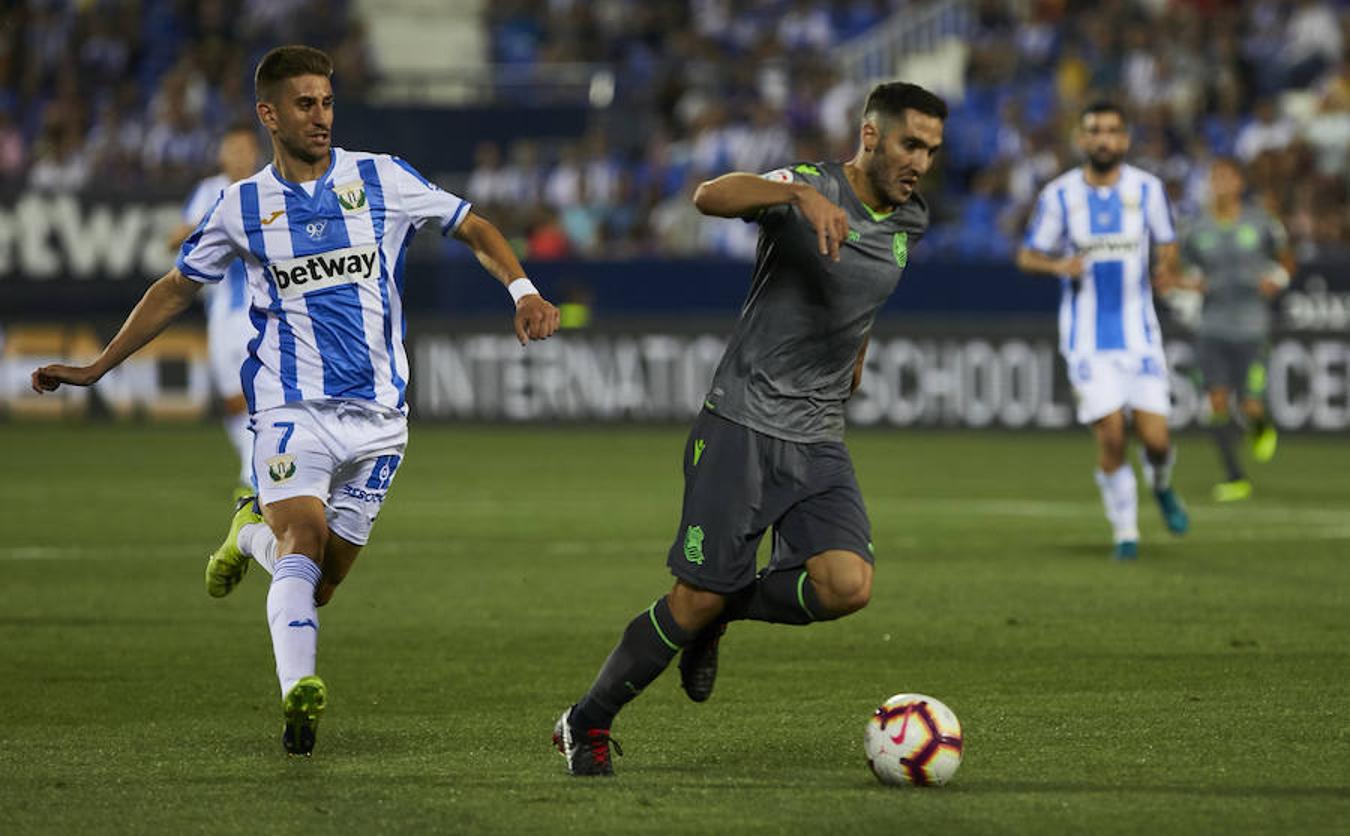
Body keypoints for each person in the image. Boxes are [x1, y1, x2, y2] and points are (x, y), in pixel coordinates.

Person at [32, 45, 561, 755]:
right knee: (302, 543)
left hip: (380, 422)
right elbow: (176, 289)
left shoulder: (380, 178)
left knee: (316, 584)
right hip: (291, 409)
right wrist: (99, 366)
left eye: (328, 102)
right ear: (269, 113)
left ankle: (246, 532)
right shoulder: (242, 205)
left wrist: (523, 290)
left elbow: (472, 225)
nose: (321, 116)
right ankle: (299, 700)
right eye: (305, 104)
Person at [552, 82, 947, 776]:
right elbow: (708, 196)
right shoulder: (809, 186)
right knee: (691, 599)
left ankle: (722, 616)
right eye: (911, 143)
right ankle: (585, 723)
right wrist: (793, 196)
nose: (921, 161)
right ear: (871, 135)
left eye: (933, 150)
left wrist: (855, 354)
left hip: (820, 433)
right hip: (742, 422)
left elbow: (863, 297)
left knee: (846, 586)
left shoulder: (911, 221)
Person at [1017, 99, 1190, 561]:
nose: (1104, 139)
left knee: (1156, 441)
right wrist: (1059, 265)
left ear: (1125, 139)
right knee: (1112, 435)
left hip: (1141, 335)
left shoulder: (1149, 190)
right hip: (1086, 342)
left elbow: (1168, 243)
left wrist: (1165, 269)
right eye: (1095, 130)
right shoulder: (1059, 195)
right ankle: (1126, 533)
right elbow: (1027, 255)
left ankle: (1162, 485)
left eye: (1112, 131)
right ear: (1081, 139)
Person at [1175, 157, 1294, 501]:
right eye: (1216, 178)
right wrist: (1187, 284)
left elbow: (1286, 257)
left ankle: (1260, 425)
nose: (1222, 184)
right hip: (1211, 326)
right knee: (1217, 401)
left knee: (1251, 403)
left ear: (1240, 182)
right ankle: (1234, 476)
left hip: (1251, 326)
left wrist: (1278, 278)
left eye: (1228, 177)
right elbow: (1179, 269)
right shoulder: (1196, 228)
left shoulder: (1261, 223)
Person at [167, 122, 263, 495]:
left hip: (258, 310)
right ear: (223, 153)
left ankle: (252, 476)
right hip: (220, 312)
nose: (240, 156)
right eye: (233, 149)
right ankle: (255, 467)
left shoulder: (266, 187)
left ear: (256, 151)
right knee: (232, 401)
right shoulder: (209, 191)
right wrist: (215, 220)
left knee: (257, 395)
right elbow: (174, 239)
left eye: (246, 149)